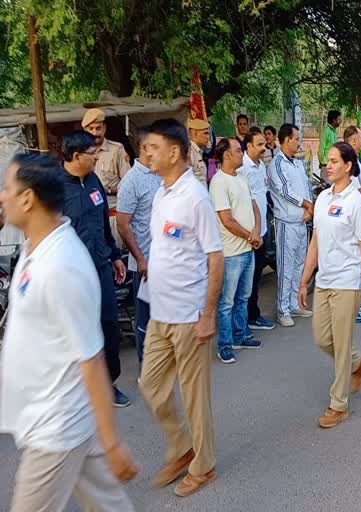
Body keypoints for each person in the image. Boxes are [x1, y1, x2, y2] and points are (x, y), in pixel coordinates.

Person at [0, 154, 138, 512]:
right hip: (57, 415)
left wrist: (112, 443)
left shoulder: (61, 266)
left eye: (7, 189)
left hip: (55, 428)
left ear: (28, 199)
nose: (2, 196)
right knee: (109, 506)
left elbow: (91, 359)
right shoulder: (36, 246)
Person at [139, 118, 223, 498]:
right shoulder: (161, 193)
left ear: (174, 152)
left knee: (194, 398)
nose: (146, 153)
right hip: (160, 313)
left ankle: (203, 466)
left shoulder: (195, 197)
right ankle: (180, 446)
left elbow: (215, 258)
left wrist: (208, 314)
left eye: (152, 148)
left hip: (190, 316)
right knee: (149, 386)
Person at [298, 142, 361, 428]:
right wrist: (304, 278)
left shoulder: (357, 203)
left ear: (348, 166)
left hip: (349, 280)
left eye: (334, 161)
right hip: (325, 280)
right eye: (327, 161)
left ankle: (339, 403)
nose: (328, 165)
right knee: (323, 338)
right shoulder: (322, 199)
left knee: (341, 344)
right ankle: (357, 361)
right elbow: (316, 242)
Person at [60, 130, 130, 408]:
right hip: (71, 274)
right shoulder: (53, 188)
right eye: (91, 154)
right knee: (76, 331)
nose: (96, 157)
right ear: (76, 156)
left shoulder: (93, 182)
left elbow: (102, 224)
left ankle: (108, 383)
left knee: (108, 325)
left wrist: (114, 256)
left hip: (100, 267)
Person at [209, 137, 262, 364]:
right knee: (227, 302)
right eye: (238, 150)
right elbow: (226, 220)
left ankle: (241, 335)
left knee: (243, 297)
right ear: (227, 155)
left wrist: (257, 231)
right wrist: (249, 235)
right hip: (231, 252)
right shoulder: (218, 182)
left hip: (248, 247)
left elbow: (254, 207)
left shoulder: (241, 177)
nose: (242, 153)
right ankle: (225, 344)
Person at [116, 127, 162, 366]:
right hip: (145, 263)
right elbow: (123, 225)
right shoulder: (131, 182)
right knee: (145, 319)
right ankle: (148, 368)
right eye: (156, 145)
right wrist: (140, 259)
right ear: (144, 148)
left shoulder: (160, 174)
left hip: (166, 260)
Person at [268, 123, 314, 326]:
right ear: (286, 140)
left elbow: (305, 187)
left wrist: (310, 208)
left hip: (302, 222)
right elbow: (286, 191)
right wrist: (306, 204)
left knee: (299, 265)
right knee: (286, 268)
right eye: (296, 139)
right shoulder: (276, 163)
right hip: (287, 223)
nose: (299, 142)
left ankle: (295, 303)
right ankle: (282, 309)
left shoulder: (296, 162)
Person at [240, 129, 276, 332]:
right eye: (260, 144)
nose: (264, 148)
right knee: (245, 280)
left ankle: (253, 315)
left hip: (260, 231)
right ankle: (243, 320)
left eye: (265, 144)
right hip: (248, 233)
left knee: (255, 278)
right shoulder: (242, 168)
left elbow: (264, 193)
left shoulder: (261, 165)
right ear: (249, 146)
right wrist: (250, 231)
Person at [81, 108, 130, 205]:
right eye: (91, 129)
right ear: (85, 130)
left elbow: (128, 185)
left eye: (98, 128)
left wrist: (107, 190)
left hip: (111, 209)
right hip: (88, 209)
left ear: (104, 128)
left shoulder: (117, 149)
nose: (95, 133)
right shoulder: (80, 152)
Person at [188, 117, 211, 186]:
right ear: (195, 134)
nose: (208, 137)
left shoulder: (197, 151)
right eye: (205, 133)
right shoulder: (190, 152)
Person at [319, 110, 342, 179]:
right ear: (334, 120)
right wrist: (323, 163)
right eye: (339, 119)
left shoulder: (334, 132)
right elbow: (321, 149)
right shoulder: (326, 131)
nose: (340, 121)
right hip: (326, 166)